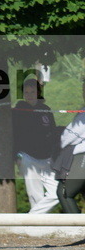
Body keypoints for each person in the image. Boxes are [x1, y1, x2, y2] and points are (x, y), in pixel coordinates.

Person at [13, 77, 60, 214]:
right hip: (28, 157)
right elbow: (14, 135)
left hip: (47, 158)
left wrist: (55, 155)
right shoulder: (18, 110)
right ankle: (38, 228)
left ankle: (31, 217)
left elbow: (53, 133)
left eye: (32, 92)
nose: (29, 95)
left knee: (56, 193)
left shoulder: (46, 109)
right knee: (35, 195)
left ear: (38, 93)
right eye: (26, 92)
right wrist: (16, 156)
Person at [55, 82, 85, 213]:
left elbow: (70, 136)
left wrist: (60, 141)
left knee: (64, 193)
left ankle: (78, 231)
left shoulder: (83, 114)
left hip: (82, 156)